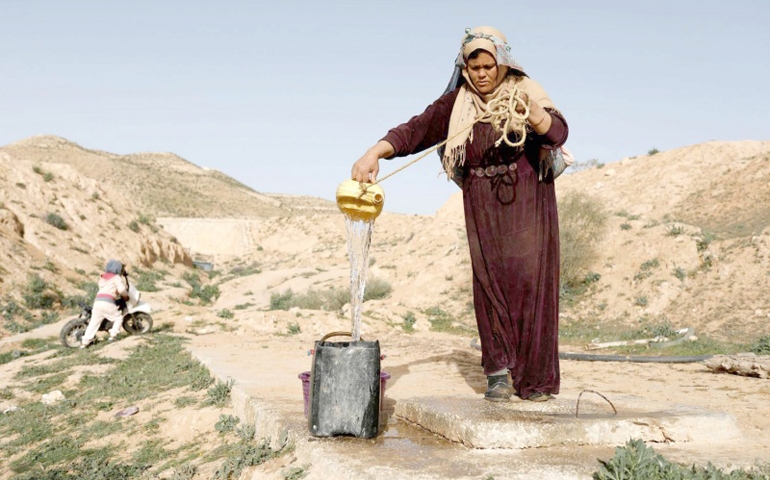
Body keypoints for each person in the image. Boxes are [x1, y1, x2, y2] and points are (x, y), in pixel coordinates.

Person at [351, 26, 568, 402]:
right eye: (475, 68)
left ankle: (535, 380)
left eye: (489, 66)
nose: (482, 74)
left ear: (502, 63)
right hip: (481, 202)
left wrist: (532, 114)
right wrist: (374, 152)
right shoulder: (457, 104)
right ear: (464, 68)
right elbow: (415, 131)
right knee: (489, 285)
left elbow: (558, 134)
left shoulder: (526, 92)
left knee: (531, 285)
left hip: (528, 200)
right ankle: (498, 372)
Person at [80, 259, 129, 348]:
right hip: (108, 302)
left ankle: (84, 343)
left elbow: (103, 287)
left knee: (93, 323)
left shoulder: (103, 277)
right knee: (118, 318)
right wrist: (125, 296)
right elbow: (121, 289)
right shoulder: (116, 277)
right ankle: (113, 336)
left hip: (98, 301)